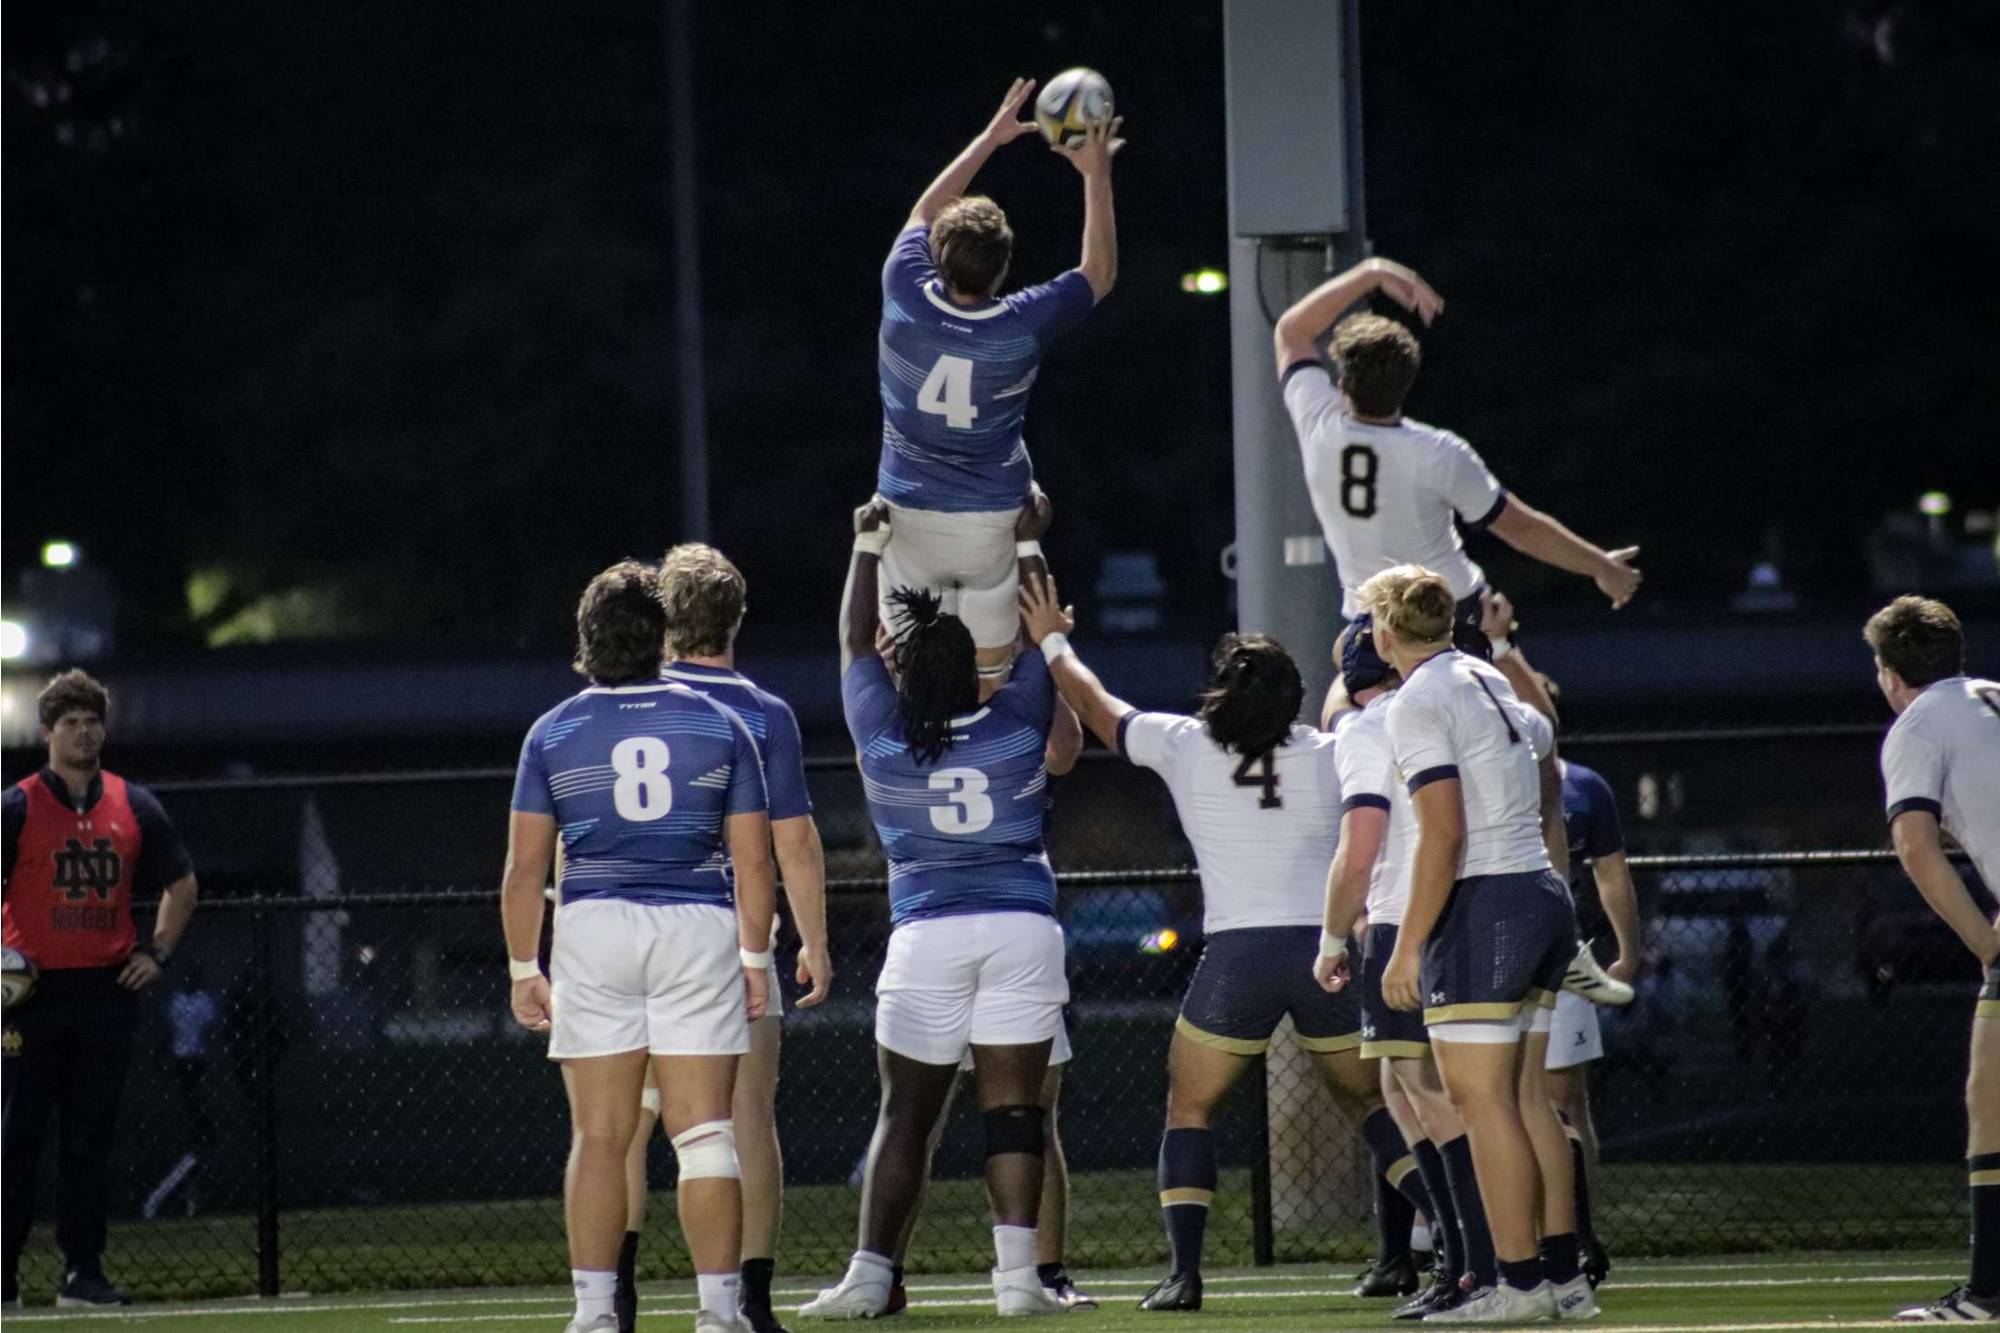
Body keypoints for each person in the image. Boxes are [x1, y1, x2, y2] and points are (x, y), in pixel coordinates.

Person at [1015, 572, 1436, 1313]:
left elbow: (1099, 707)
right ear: (1294, 696)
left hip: (1238, 956)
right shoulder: (1332, 750)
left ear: (1220, 693)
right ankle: (1442, 1241)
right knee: (1376, 1106)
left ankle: (1185, 1273)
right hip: (1325, 949)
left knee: (1190, 1106)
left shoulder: (1187, 745)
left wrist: (1051, 640)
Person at [802, 501, 1070, 1319]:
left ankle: (872, 1274)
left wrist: (866, 542)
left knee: (906, 1116)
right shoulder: (1015, 720)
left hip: (928, 932)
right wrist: (1027, 542)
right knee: (1016, 1113)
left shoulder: (883, 738)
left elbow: (854, 642)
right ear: (976, 672)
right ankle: (1018, 1279)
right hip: (1021, 925)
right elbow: (1038, 638)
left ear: (904, 675)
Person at [501, 562, 777, 1333]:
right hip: (695, 923)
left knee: (600, 1135)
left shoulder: (553, 731)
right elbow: (754, 860)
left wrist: (524, 967)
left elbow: (524, 869)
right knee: (706, 1132)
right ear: (662, 635)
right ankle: (719, 1313)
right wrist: (755, 958)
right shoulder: (719, 725)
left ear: (587, 636)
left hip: (595, 926)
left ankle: (595, 1313)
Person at [603, 543, 835, 1333]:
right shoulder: (762, 713)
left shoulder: (623, 703)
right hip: (728, 938)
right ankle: (747, 1301)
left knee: (625, 1124)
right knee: (743, 1120)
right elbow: (792, 840)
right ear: (737, 617)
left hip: (631, 930)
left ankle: (613, 1300)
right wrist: (814, 940)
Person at [1361, 566, 1595, 1323]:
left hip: (1488, 902)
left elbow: (1445, 832)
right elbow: (1546, 742)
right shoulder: (1487, 677)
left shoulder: (1416, 700)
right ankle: (1564, 1277)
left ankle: (1516, 1282)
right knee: (1528, 1098)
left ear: (1385, 633)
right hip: (1541, 892)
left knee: (1484, 1102)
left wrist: (1407, 948)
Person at [1270, 257, 1642, 663]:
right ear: (1408, 382)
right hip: (1451, 617)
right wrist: (1601, 566)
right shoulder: (1438, 452)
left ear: (1342, 383)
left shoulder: (1318, 423)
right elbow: (1521, 528)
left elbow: (1291, 331)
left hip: (1375, 627)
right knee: (1505, 702)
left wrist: (1371, 273)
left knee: (1346, 700)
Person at [874, 77, 1118, 682]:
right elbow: (1098, 272)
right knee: (992, 685)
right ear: (1004, 268)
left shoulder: (904, 293)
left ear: (936, 254)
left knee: (913, 687)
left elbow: (923, 212)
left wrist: (989, 140)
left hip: (908, 519)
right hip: (991, 525)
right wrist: (1095, 175)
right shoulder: (1019, 326)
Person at [3, 669, 200, 1309]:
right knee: (16, 1137)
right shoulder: (17, 807)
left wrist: (157, 952)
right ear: (47, 733)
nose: (84, 732)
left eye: (93, 721)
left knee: (90, 1138)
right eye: (71, 723)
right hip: (30, 996)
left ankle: (81, 1274)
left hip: (105, 992)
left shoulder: (133, 805)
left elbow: (182, 883)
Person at [1317, 622, 1496, 1320]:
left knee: (1429, 1094)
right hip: (1486, 903)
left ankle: (1476, 1263)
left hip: (1405, 915)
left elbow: (1360, 846)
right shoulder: (1468, 701)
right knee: (1413, 1089)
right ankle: (1479, 1255)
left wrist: (1333, 936)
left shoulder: (1371, 725)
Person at [1861, 597, 2000, 1323]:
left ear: (1890, 673)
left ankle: (1988, 1290)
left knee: (1991, 1101)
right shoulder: (1990, 698)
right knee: (1990, 1093)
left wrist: (1984, 942)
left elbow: (1914, 847)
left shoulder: (1916, 724)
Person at [1544, 752, 1640, 1290]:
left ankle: (1577, 1233)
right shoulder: (1477, 769)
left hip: (1561, 957)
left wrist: (1629, 950)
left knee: (1565, 1101)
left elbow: (1611, 870)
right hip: (1491, 953)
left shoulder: (1583, 786)